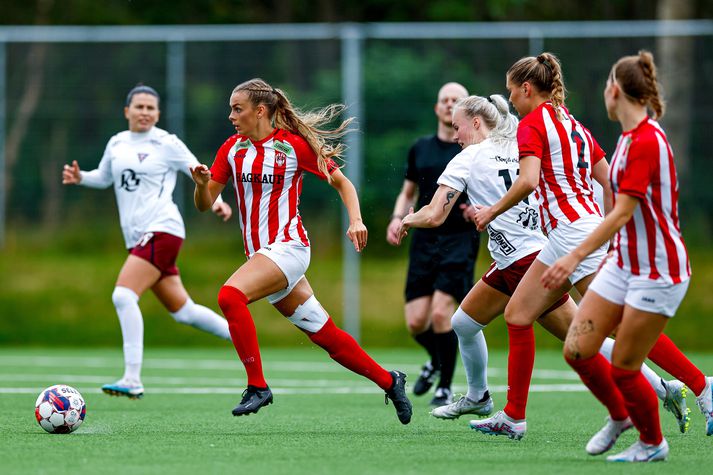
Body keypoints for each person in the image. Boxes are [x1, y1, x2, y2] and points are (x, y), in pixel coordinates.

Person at [396, 94, 682, 435]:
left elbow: (435, 214)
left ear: (476, 123)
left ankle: (661, 388)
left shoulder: (469, 157)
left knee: (583, 335)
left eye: (457, 127)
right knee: (464, 322)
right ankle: (478, 396)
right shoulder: (522, 143)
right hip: (524, 254)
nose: (454, 135)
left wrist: (406, 220)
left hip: (528, 260)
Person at [470, 52, 700, 440]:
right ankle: (513, 416)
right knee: (518, 314)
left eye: (512, 92)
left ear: (527, 89)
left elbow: (527, 182)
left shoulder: (532, 124)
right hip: (570, 232)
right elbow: (608, 178)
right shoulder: (571, 123)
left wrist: (490, 211)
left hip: (572, 234)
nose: (511, 101)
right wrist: (607, 225)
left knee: (624, 326)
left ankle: (701, 387)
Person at [190, 78, 412, 424]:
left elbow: (343, 183)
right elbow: (205, 205)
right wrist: (203, 185)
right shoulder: (231, 150)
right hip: (263, 257)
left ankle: (258, 386)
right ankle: (390, 380)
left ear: (260, 111)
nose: (231, 115)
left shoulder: (292, 147)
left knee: (230, 296)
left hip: (289, 247)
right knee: (327, 337)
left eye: (237, 108)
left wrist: (356, 220)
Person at [541, 51, 712, 462]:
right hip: (624, 263)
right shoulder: (627, 139)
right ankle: (622, 418)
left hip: (658, 270)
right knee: (577, 349)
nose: (604, 93)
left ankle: (652, 443)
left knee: (624, 366)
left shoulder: (648, 141)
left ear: (615, 91)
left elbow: (621, 212)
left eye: (605, 86)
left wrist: (574, 255)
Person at [62, 84, 234, 399]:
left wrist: (218, 201)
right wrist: (81, 177)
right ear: (127, 111)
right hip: (138, 239)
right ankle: (240, 336)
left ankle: (132, 379)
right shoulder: (117, 143)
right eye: (139, 107)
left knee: (123, 296)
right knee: (184, 311)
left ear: (158, 113)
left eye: (150, 108)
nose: (145, 113)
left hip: (163, 229)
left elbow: (200, 174)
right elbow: (105, 177)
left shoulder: (166, 142)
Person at [386, 82, 479, 406]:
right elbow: (408, 191)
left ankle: (445, 386)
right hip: (424, 237)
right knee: (415, 321)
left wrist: (478, 208)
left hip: (459, 238)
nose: (449, 104)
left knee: (442, 314)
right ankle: (437, 361)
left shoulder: (472, 149)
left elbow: (491, 188)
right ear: (437, 107)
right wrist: (398, 218)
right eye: (444, 100)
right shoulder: (421, 147)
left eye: (456, 100)